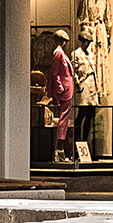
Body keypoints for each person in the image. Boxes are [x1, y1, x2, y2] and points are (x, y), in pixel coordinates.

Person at [49, 29, 74, 164]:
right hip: (64, 91)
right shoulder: (58, 53)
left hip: (66, 89)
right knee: (63, 120)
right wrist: (61, 89)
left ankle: (60, 150)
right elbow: (55, 73)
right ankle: (59, 151)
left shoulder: (60, 53)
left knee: (64, 120)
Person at [71, 29, 99, 152]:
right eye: (85, 41)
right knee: (81, 114)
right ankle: (77, 143)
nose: (87, 44)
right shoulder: (76, 54)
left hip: (92, 85)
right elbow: (73, 70)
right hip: (84, 84)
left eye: (88, 42)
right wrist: (77, 84)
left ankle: (85, 143)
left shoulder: (91, 54)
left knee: (90, 115)